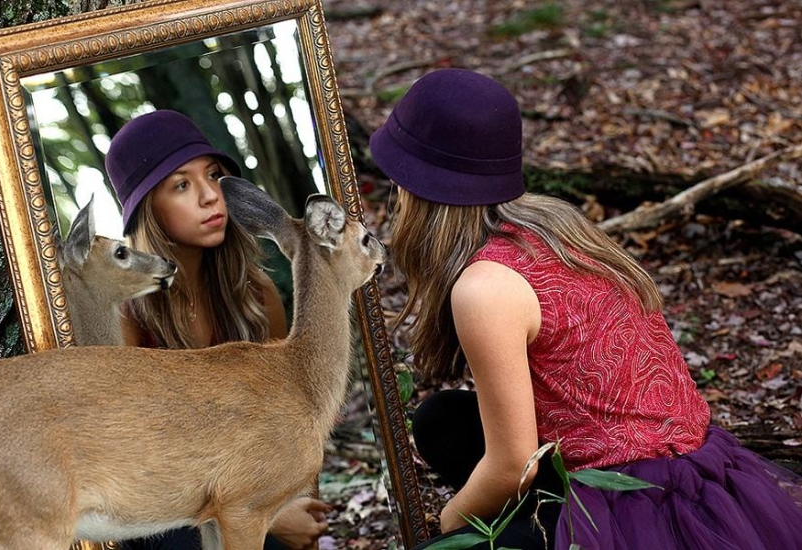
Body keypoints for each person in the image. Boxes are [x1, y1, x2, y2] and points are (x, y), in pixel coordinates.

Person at [369, 69, 802, 549]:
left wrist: (449, 521)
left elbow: (513, 465)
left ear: (412, 187)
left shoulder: (485, 287)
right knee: (441, 419)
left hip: (637, 504)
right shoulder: (555, 227)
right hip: (680, 466)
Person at [105, 109, 331, 550]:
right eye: (182, 185)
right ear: (148, 209)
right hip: (166, 514)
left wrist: (299, 509)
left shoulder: (256, 294)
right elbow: (136, 461)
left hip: (256, 493)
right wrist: (265, 515)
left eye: (213, 175)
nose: (211, 196)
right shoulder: (127, 316)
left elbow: (294, 424)